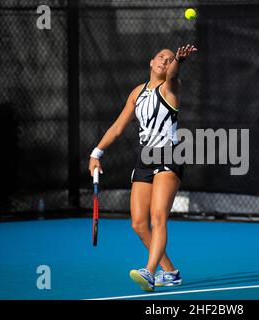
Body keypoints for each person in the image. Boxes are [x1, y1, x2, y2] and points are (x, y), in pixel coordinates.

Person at [88, 44, 197, 292]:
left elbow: (174, 75)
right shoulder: (137, 93)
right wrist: (96, 153)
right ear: (151, 61)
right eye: (161, 57)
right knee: (138, 223)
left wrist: (180, 60)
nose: (165, 61)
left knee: (158, 217)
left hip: (170, 155)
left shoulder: (171, 89)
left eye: (169, 59)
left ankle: (149, 272)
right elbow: (117, 127)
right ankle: (170, 272)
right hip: (145, 158)